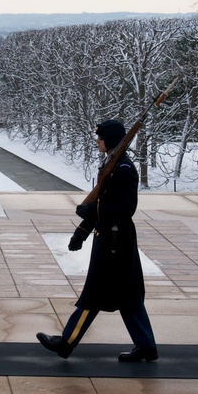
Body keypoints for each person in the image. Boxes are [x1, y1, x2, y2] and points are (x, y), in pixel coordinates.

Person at [36, 119, 158, 363]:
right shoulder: (112, 165)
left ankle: (66, 342)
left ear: (111, 140)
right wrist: (81, 232)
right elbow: (100, 199)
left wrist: (91, 212)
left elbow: (125, 208)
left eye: (100, 138)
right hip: (113, 239)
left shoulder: (123, 169)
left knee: (94, 295)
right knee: (129, 297)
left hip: (115, 242)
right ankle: (146, 346)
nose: (97, 140)